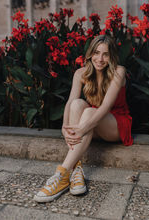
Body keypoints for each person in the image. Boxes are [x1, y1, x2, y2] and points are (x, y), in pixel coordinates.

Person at [34, 34, 133, 203]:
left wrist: (81, 128)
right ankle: (76, 170)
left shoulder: (119, 71)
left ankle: (61, 174)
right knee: (77, 105)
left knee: (88, 112)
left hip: (116, 124)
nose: (100, 59)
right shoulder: (81, 73)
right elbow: (71, 101)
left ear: (111, 56)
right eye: (96, 53)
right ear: (90, 54)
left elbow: (105, 107)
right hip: (92, 125)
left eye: (105, 54)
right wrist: (65, 127)